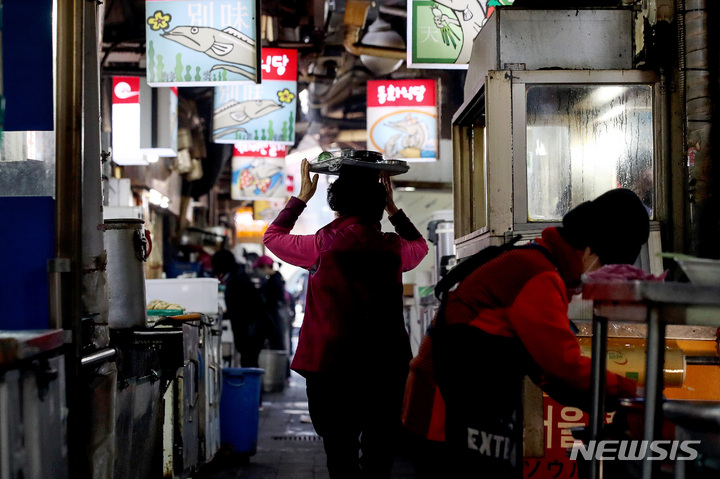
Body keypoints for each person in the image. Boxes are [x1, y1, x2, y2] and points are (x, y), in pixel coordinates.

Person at [428, 188, 649, 478]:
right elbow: (563, 365)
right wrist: (630, 393)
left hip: (467, 408)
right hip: (450, 414)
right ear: (593, 250)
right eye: (607, 266)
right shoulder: (538, 274)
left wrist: (611, 401)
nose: (599, 279)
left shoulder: (539, 262)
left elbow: (547, 373)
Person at [263, 158, 429, 479]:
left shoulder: (319, 246)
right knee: (379, 457)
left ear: (335, 205)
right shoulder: (394, 249)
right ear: (378, 207)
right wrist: (395, 209)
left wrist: (300, 198)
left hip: (331, 368)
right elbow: (420, 246)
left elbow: (273, 237)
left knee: (340, 455)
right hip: (385, 368)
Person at [211, 249, 268, 368]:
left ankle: (251, 386)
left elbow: (238, 311)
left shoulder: (235, 281)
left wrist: (221, 314)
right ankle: (252, 386)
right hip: (255, 329)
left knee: (248, 363)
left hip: (250, 330)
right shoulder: (239, 276)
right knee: (250, 362)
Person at [252, 255, 289, 351]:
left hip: (275, 318)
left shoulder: (273, 281)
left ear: (265, 267)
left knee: (278, 345)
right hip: (276, 317)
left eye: (259, 268)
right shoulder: (275, 279)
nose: (258, 272)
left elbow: (271, 302)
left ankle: (280, 366)